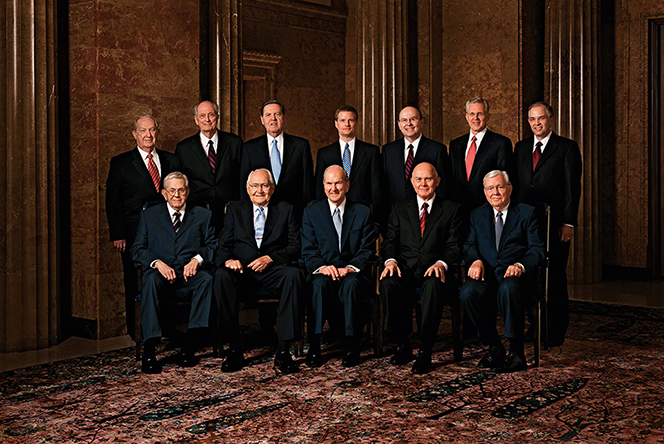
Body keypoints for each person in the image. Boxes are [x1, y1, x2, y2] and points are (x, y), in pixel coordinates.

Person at [214, 168, 303, 374]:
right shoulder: (235, 209)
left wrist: (271, 258)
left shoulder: (286, 209)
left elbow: (294, 246)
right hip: (242, 271)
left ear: (271, 188)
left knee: (293, 275)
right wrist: (229, 261)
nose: (259, 190)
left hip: (272, 269)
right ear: (247, 188)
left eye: (264, 185)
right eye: (255, 186)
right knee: (220, 276)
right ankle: (234, 349)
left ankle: (284, 351)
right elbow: (223, 246)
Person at [380, 162, 463, 374]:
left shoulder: (451, 209)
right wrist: (390, 261)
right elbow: (390, 242)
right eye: (419, 179)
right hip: (405, 269)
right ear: (412, 182)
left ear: (437, 181)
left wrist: (441, 264)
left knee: (433, 285)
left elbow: (454, 246)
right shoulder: (399, 208)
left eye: (428, 179)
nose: (423, 183)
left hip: (433, 271)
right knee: (388, 283)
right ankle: (402, 344)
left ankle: (426, 350)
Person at [131, 172, 216, 374]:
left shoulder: (203, 215)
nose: (176, 195)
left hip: (190, 276)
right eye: (172, 190)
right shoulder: (149, 215)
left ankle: (191, 344)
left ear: (187, 192)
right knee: (149, 281)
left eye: (181, 190)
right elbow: (137, 249)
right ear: (163, 193)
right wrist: (157, 263)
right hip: (161, 275)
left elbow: (213, 245)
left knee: (207, 279)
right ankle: (150, 349)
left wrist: (197, 259)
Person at [460, 170, 544, 373]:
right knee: (467, 292)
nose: (495, 192)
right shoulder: (477, 214)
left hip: (516, 277)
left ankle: (517, 353)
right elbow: (469, 245)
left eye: (499, 187)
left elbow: (537, 250)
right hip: (487, 274)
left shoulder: (526, 212)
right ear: (484, 192)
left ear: (509, 188)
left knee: (508, 289)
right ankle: (494, 346)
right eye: (490, 188)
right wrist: (476, 260)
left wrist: (520, 265)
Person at [513, 101, 582, 346]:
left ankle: (556, 328)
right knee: (529, 276)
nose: (536, 124)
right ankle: (535, 325)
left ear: (551, 120)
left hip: (554, 224)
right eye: (532, 119)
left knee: (553, 277)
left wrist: (569, 222)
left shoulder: (567, 148)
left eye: (541, 118)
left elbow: (573, 189)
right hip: (525, 225)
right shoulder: (520, 148)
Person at [106, 115, 178, 339]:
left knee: (167, 278)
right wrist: (118, 234)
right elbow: (113, 201)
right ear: (134, 134)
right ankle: (137, 331)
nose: (148, 135)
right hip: (133, 233)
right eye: (143, 130)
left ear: (157, 132)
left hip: (168, 232)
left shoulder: (171, 161)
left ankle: (167, 327)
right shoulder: (121, 163)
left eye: (152, 130)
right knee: (134, 280)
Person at [301, 165, 376, 368]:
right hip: (323, 272)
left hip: (353, 273)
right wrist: (322, 267)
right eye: (329, 183)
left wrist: (351, 267)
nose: (333, 188)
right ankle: (315, 344)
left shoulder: (362, 212)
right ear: (323, 186)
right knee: (318, 285)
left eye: (338, 183)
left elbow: (367, 249)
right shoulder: (311, 213)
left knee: (351, 284)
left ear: (347, 185)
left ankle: (352, 344)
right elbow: (308, 250)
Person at [175, 100, 243, 234]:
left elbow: (243, 176)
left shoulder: (235, 143)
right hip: (197, 213)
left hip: (230, 212)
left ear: (217, 117)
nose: (207, 119)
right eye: (202, 116)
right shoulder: (184, 148)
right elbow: (180, 182)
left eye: (211, 115)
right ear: (196, 120)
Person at [241, 100, 314, 216]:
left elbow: (307, 183)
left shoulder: (301, 146)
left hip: (294, 212)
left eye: (277, 114)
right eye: (268, 115)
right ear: (262, 120)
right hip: (262, 213)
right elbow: (244, 185)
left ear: (284, 118)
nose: (273, 118)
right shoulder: (249, 148)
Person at [449, 97, 514, 221]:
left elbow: (504, 178)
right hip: (458, 210)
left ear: (488, 116)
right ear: (466, 116)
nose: (476, 118)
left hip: (486, 209)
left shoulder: (500, 143)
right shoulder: (455, 145)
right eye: (472, 114)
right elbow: (451, 178)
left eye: (480, 114)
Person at [315, 105, 383, 222]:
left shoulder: (371, 151)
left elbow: (376, 188)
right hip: (332, 214)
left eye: (350, 120)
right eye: (342, 120)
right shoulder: (324, 153)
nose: (347, 124)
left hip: (362, 214)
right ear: (336, 123)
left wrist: (376, 220)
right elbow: (319, 189)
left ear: (356, 123)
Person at [382, 106, 452, 217]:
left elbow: (443, 187)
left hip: (427, 215)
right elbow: (383, 186)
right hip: (395, 216)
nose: (408, 123)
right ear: (399, 124)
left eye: (413, 119)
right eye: (404, 120)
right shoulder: (388, 150)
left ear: (422, 122)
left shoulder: (437, 150)